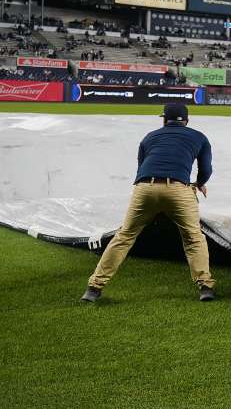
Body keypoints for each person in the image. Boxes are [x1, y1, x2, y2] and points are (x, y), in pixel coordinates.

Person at [81, 103, 216, 302]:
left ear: (164, 120)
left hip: (144, 187)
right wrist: (199, 184)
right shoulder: (199, 137)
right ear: (186, 121)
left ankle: (93, 288)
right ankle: (205, 287)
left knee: (124, 236)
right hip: (178, 188)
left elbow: (141, 169)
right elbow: (206, 170)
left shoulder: (150, 137)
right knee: (193, 237)